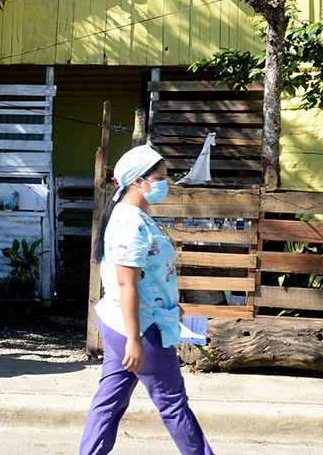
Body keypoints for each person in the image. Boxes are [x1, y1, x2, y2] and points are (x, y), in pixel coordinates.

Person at [80, 145, 214, 455]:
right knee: (173, 404)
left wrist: (171, 306)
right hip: (140, 327)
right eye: (161, 177)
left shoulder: (131, 216)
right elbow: (128, 284)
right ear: (138, 181)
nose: (166, 184)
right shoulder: (132, 222)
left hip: (123, 321)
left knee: (110, 402)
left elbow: (150, 277)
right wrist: (135, 341)